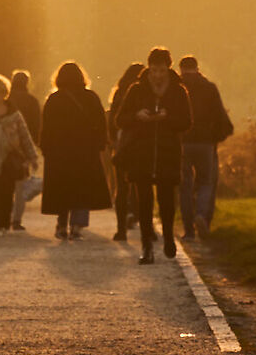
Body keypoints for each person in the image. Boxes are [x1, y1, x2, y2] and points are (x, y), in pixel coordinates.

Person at [115, 47, 193, 262]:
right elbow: (120, 119)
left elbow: (186, 122)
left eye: (162, 71)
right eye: (154, 70)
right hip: (142, 152)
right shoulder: (136, 90)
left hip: (168, 153)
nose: (158, 75)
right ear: (149, 68)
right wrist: (137, 116)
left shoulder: (178, 91)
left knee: (167, 200)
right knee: (144, 201)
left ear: (168, 69)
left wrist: (168, 117)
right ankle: (146, 245)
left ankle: (168, 236)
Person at [39, 62, 111, 239]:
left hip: (60, 153)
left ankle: (62, 224)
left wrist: (46, 148)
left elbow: (46, 127)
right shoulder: (91, 98)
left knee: (62, 189)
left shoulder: (54, 99)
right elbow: (101, 123)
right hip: (85, 151)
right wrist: (100, 145)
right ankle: (77, 226)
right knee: (82, 189)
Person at [175, 55, 235, 241]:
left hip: (183, 143)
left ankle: (189, 231)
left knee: (185, 186)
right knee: (205, 182)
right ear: (197, 68)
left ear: (180, 69)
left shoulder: (177, 88)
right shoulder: (209, 88)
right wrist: (215, 137)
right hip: (205, 143)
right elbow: (220, 117)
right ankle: (201, 215)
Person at [0, 75, 40, 236]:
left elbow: (24, 136)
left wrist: (32, 157)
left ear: (5, 93)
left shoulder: (15, 115)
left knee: (6, 192)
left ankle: (3, 223)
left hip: (9, 158)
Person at [106, 61, 146, 242]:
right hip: (142, 144)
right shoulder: (145, 93)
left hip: (123, 144)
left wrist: (113, 140)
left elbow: (113, 120)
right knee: (143, 186)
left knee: (122, 187)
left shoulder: (120, 92)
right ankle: (143, 223)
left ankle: (121, 229)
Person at [7, 70, 45, 230]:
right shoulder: (32, 101)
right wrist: (34, 146)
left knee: (5, 184)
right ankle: (16, 219)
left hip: (6, 147)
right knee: (20, 185)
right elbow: (37, 125)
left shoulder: (6, 100)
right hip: (23, 149)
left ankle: (4, 215)